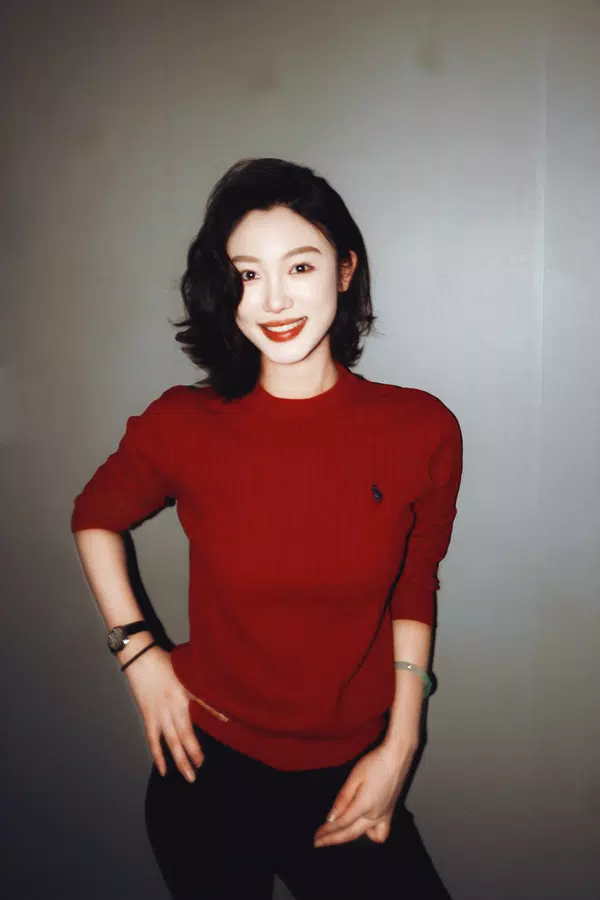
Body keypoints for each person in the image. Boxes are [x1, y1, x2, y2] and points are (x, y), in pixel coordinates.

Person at [71, 157, 463, 900]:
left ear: (345, 270)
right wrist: (140, 656)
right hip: (206, 774)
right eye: (247, 274)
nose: (274, 298)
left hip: (350, 774)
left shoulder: (421, 428)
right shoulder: (184, 424)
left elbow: (415, 580)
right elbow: (94, 517)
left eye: (301, 266)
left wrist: (402, 742)